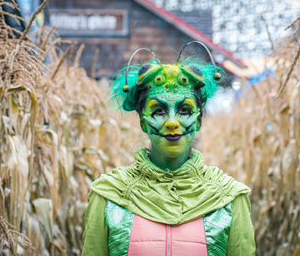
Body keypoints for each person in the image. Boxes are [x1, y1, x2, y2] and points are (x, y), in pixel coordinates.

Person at [82, 41, 255, 256]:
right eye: (158, 111)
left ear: (199, 121)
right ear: (143, 122)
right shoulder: (108, 195)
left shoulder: (229, 198)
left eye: (184, 110)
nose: (172, 122)